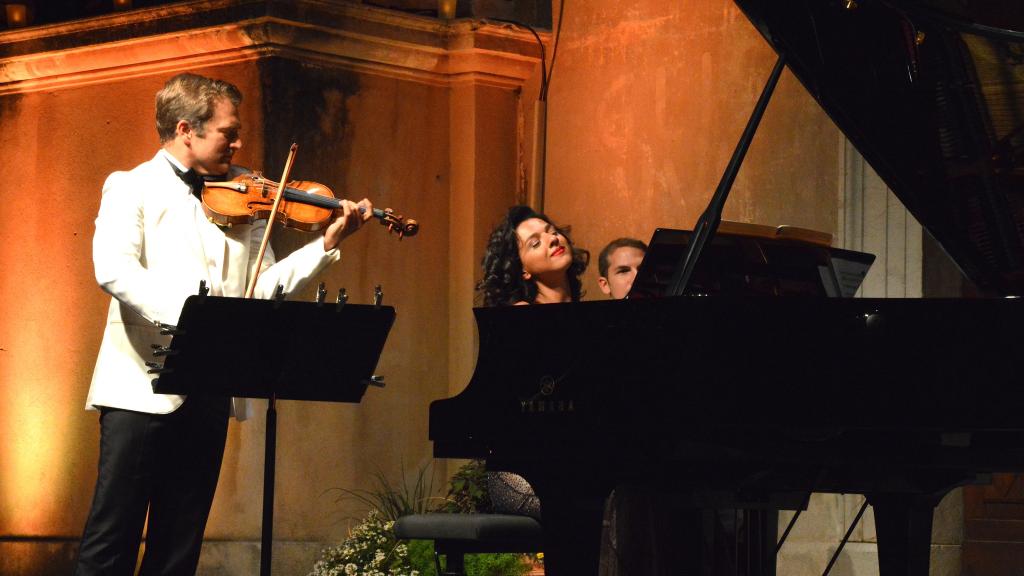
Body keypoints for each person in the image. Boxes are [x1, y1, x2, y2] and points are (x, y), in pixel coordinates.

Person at [74, 73, 372, 576]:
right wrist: (197, 320)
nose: (239, 142)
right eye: (227, 132)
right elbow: (115, 270)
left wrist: (325, 246)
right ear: (186, 129)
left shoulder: (242, 196)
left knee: (178, 549)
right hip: (139, 391)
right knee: (111, 544)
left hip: (210, 388)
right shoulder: (131, 187)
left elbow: (260, 289)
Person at [476, 205, 589, 518]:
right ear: (523, 269)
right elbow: (512, 408)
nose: (553, 239)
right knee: (601, 501)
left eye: (552, 231)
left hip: (579, 460)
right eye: (535, 242)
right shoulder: (519, 317)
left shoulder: (592, 321)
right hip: (521, 474)